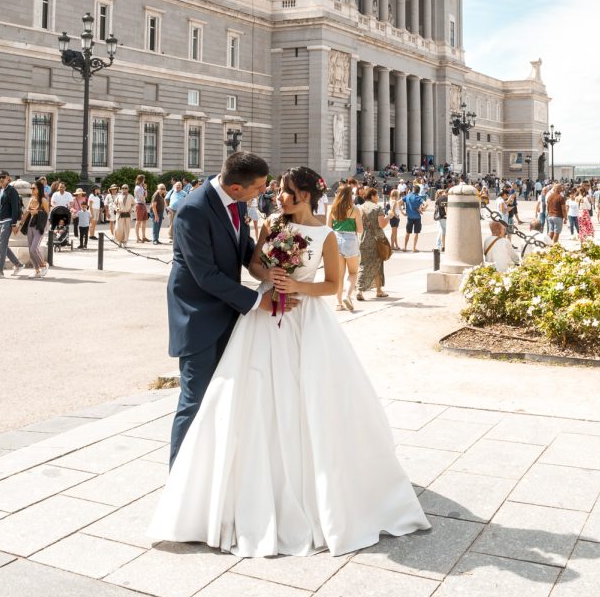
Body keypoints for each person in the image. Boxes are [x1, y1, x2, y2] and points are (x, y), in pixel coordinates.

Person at [149, 164, 430, 556]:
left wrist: (294, 283)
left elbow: (331, 285)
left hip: (302, 319)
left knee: (306, 397)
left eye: (282, 190)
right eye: (269, 188)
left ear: (305, 195)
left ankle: (304, 481)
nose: (273, 195)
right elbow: (249, 263)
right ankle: (191, 486)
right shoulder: (265, 222)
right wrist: (268, 278)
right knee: (234, 400)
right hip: (258, 316)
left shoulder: (324, 234)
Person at [165, 152, 288, 468]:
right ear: (236, 187)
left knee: (223, 396)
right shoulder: (192, 210)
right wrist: (258, 301)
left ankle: (210, 470)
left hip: (227, 311)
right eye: (259, 187)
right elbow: (205, 275)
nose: (263, 192)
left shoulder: (238, 202)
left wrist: (272, 268)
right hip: (198, 316)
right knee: (195, 400)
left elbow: (241, 247)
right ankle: (178, 475)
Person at [326, 182, 363, 312]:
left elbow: (328, 228)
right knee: (353, 272)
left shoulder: (333, 209)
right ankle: (347, 295)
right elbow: (360, 229)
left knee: (339, 275)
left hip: (336, 240)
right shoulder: (354, 209)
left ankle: (338, 303)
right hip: (350, 240)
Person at [0, 170, 23, 277]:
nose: (1, 179)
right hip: (0, 222)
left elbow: (15, 209)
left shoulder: (12, 191)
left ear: (8, 178)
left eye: (3, 177)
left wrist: (13, 224)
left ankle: (0, 271)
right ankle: (18, 264)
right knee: (2, 245)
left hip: (8, 222)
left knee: (2, 246)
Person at [357, 187, 389, 300]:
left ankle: (361, 290)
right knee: (378, 265)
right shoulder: (377, 208)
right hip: (376, 240)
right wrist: (388, 217)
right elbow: (382, 224)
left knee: (363, 264)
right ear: (372, 196)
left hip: (362, 239)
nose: (378, 197)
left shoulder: (359, 208)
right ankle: (376, 290)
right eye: (377, 195)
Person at [17, 178, 49, 277]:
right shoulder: (31, 199)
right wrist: (20, 224)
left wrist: (37, 212)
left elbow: (47, 214)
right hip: (30, 225)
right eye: (31, 188)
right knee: (30, 250)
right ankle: (36, 271)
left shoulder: (43, 200)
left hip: (39, 226)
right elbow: (27, 212)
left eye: (34, 188)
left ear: (39, 189)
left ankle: (43, 265)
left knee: (34, 249)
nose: (32, 190)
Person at [402, 183, 426, 252]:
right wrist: (422, 209)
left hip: (409, 217)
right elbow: (426, 204)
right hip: (417, 217)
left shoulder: (408, 196)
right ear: (419, 191)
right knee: (416, 233)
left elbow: (399, 202)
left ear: (413, 189)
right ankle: (414, 248)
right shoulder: (419, 197)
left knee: (408, 232)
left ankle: (404, 247)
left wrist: (402, 211)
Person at [134, 174, 149, 243]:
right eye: (144, 179)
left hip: (143, 204)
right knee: (138, 221)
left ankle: (143, 237)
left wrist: (145, 189)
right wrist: (144, 196)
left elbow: (146, 196)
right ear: (141, 180)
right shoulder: (138, 188)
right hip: (139, 204)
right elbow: (142, 198)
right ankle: (137, 238)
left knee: (144, 221)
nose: (144, 181)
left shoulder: (142, 187)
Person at [433, 186, 448, 251]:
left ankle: (439, 246)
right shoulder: (444, 198)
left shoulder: (438, 199)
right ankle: (440, 246)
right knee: (443, 232)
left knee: (441, 231)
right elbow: (445, 207)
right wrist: (447, 214)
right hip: (443, 217)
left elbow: (435, 207)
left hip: (439, 217)